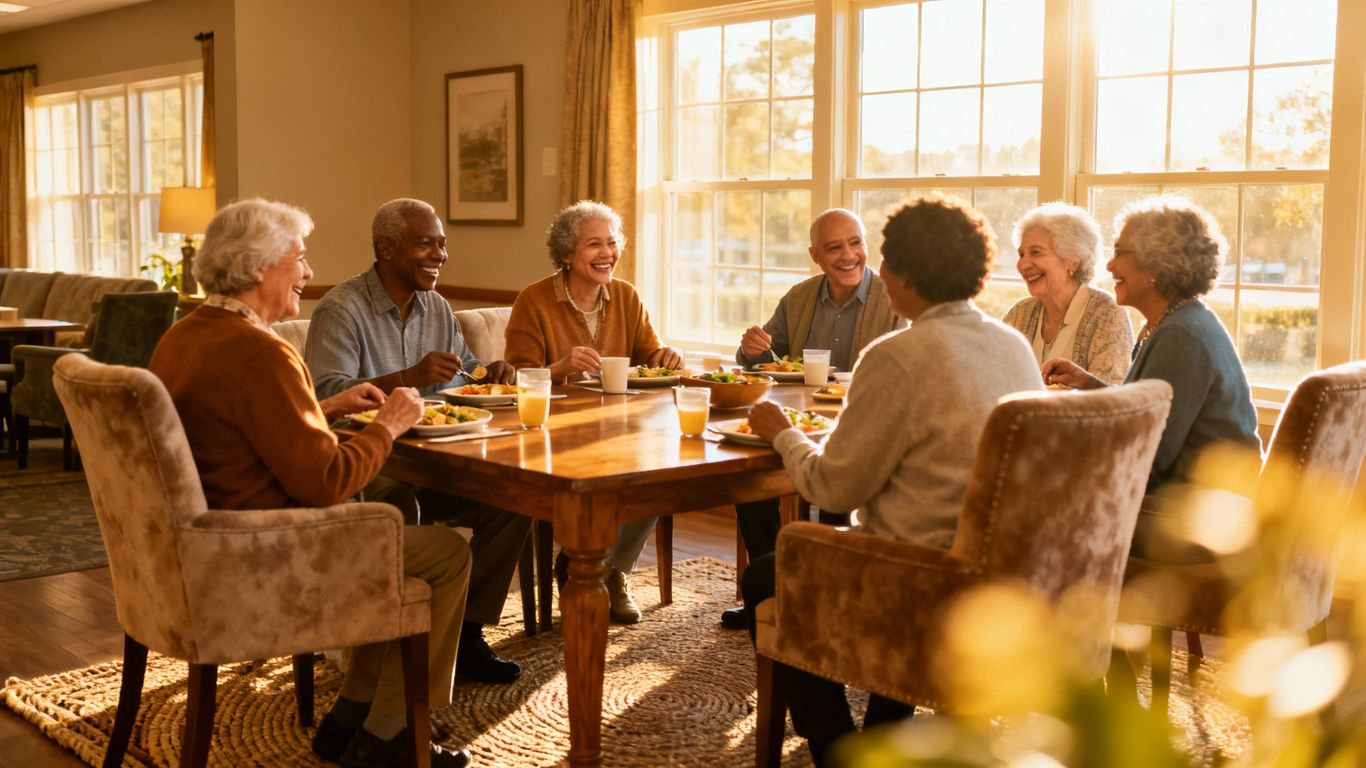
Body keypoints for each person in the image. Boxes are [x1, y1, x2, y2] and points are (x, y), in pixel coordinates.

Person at [148, 198, 472, 768]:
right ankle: (392, 735)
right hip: (267, 549)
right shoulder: (262, 352)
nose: (308, 273)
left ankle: (350, 715)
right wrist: (389, 425)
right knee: (442, 555)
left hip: (210, 541)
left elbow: (245, 430)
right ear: (258, 268)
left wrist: (325, 406)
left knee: (394, 545)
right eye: (298, 258)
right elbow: (328, 481)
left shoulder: (186, 335)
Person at [740, 196, 1044, 767]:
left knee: (767, 573)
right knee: (878, 536)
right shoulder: (1013, 347)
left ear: (901, 276)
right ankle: (884, 733)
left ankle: (837, 750)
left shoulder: (896, 355)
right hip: (999, 571)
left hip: (917, 578)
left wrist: (783, 432)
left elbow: (832, 491)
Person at [305, 198, 530, 683]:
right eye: (426, 243)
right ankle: (387, 651)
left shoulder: (437, 307)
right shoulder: (341, 309)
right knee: (400, 501)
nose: (440, 254)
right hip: (368, 465)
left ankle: (467, 634)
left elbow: (464, 373)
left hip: (437, 460)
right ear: (386, 248)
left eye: (443, 244)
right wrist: (406, 376)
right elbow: (324, 398)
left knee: (513, 499)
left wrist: (490, 373)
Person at [1042, 196, 1260, 561]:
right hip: (1201, 503)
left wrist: (1063, 448)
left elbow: (1150, 454)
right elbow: (1154, 409)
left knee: (1044, 511)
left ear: (1156, 263)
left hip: (1195, 517)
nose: (1110, 264)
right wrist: (1093, 385)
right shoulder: (1176, 322)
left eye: (1119, 252)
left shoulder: (1183, 335)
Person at [721, 208, 904, 630]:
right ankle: (772, 592)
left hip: (863, 423)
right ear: (815, 255)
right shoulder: (799, 298)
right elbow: (760, 360)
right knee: (751, 483)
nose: (848, 255)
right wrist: (749, 349)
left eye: (855, 243)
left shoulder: (892, 299)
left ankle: (823, 595)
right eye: (834, 247)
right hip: (800, 422)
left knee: (837, 489)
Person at [503, 200, 682, 624]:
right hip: (555, 431)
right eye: (594, 244)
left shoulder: (625, 296)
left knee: (659, 471)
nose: (608, 253)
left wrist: (665, 356)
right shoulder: (534, 301)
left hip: (618, 426)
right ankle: (591, 562)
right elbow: (516, 381)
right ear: (567, 254)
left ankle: (609, 569)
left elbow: (647, 354)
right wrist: (559, 369)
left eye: (613, 242)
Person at [1001, 202, 1133, 384]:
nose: (1023, 264)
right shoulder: (1019, 313)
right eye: (1021, 254)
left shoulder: (1106, 313)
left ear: (1072, 261)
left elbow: (1112, 398)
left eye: (1036, 253)